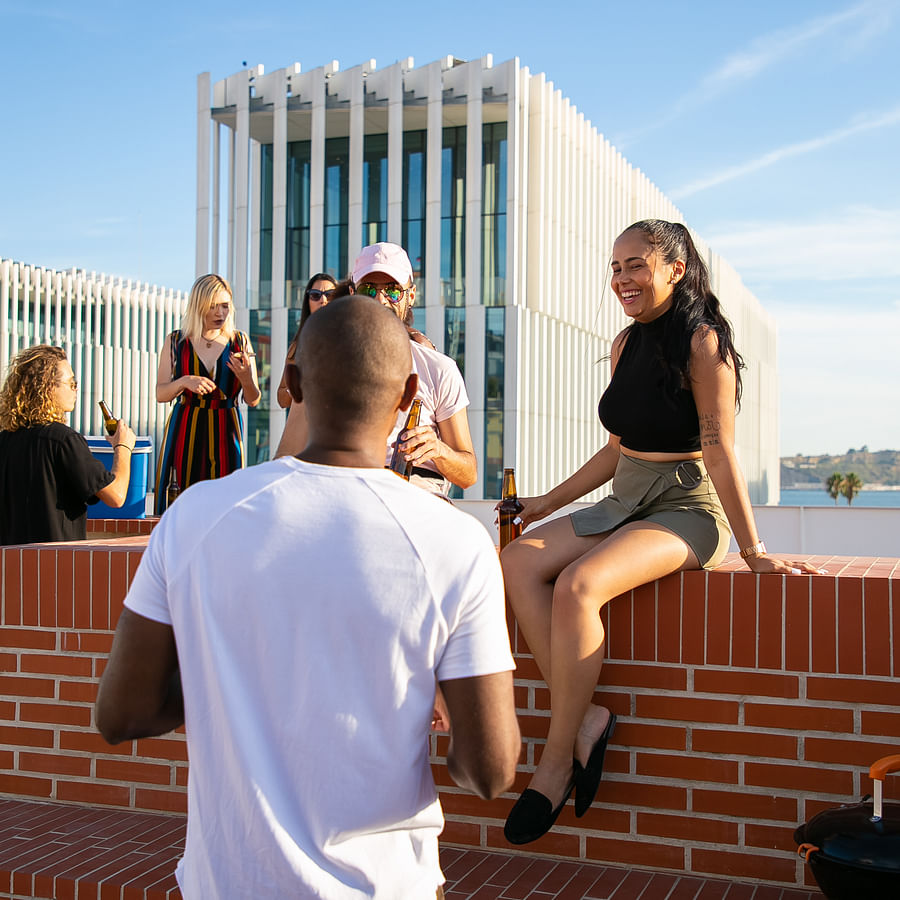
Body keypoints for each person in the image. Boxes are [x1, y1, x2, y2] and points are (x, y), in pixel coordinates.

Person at [95, 294, 520, 899]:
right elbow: (490, 770)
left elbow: (122, 714)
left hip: (229, 885)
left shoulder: (195, 517)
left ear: (291, 382)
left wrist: (237, 678)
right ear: (408, 397)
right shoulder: (455, 541)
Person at [500, 219, 822, 845]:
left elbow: (720, 452)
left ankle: (555, 761)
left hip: (687, 509)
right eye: (615, 266)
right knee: (516, 563)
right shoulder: (625, 343)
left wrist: (755, 552)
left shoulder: (704, 344)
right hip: (625, 500)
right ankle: (587, 717)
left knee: (578, 586)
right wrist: (543, 504)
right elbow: (614, 450)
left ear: (676, 269)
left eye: (636, 265)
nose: (622, 278)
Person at [275, 243, 476, 497]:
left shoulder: (439, 368)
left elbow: (468, 475)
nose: (380, 300)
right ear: (353, 293)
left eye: (392, 290)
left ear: (411, 296)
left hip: (417, 494)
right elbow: (286, 456)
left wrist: (438, 449)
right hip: (345, 489)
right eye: (368, 289)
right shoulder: (324, 361)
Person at [0, 345, 137, 544]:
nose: (76, 388)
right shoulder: (64, 440)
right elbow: (116, 496)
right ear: (48, 388)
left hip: (10, 559)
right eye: (71, 383)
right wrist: (123, 447)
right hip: (56, 559)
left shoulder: (5, 440)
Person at [152, 273, 260, 514]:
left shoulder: (239, 341)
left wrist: (245, 377)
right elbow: (161, 393)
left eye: (225, 306)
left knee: (227, 503)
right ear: (198, 305)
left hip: (227, 426)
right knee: (181, 500)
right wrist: (184, 381)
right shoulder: (176, 341)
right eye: (213, 306)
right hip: (186, 426)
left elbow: (254, 399)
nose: (220, 313)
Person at [275, 273, 338, 409]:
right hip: (303, 418)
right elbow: (282, 400)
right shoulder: (298, 345)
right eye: (315, 295)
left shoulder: (349, 340)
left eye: (330, 295)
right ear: (308, 302)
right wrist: (297, 386)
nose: (323, 300)